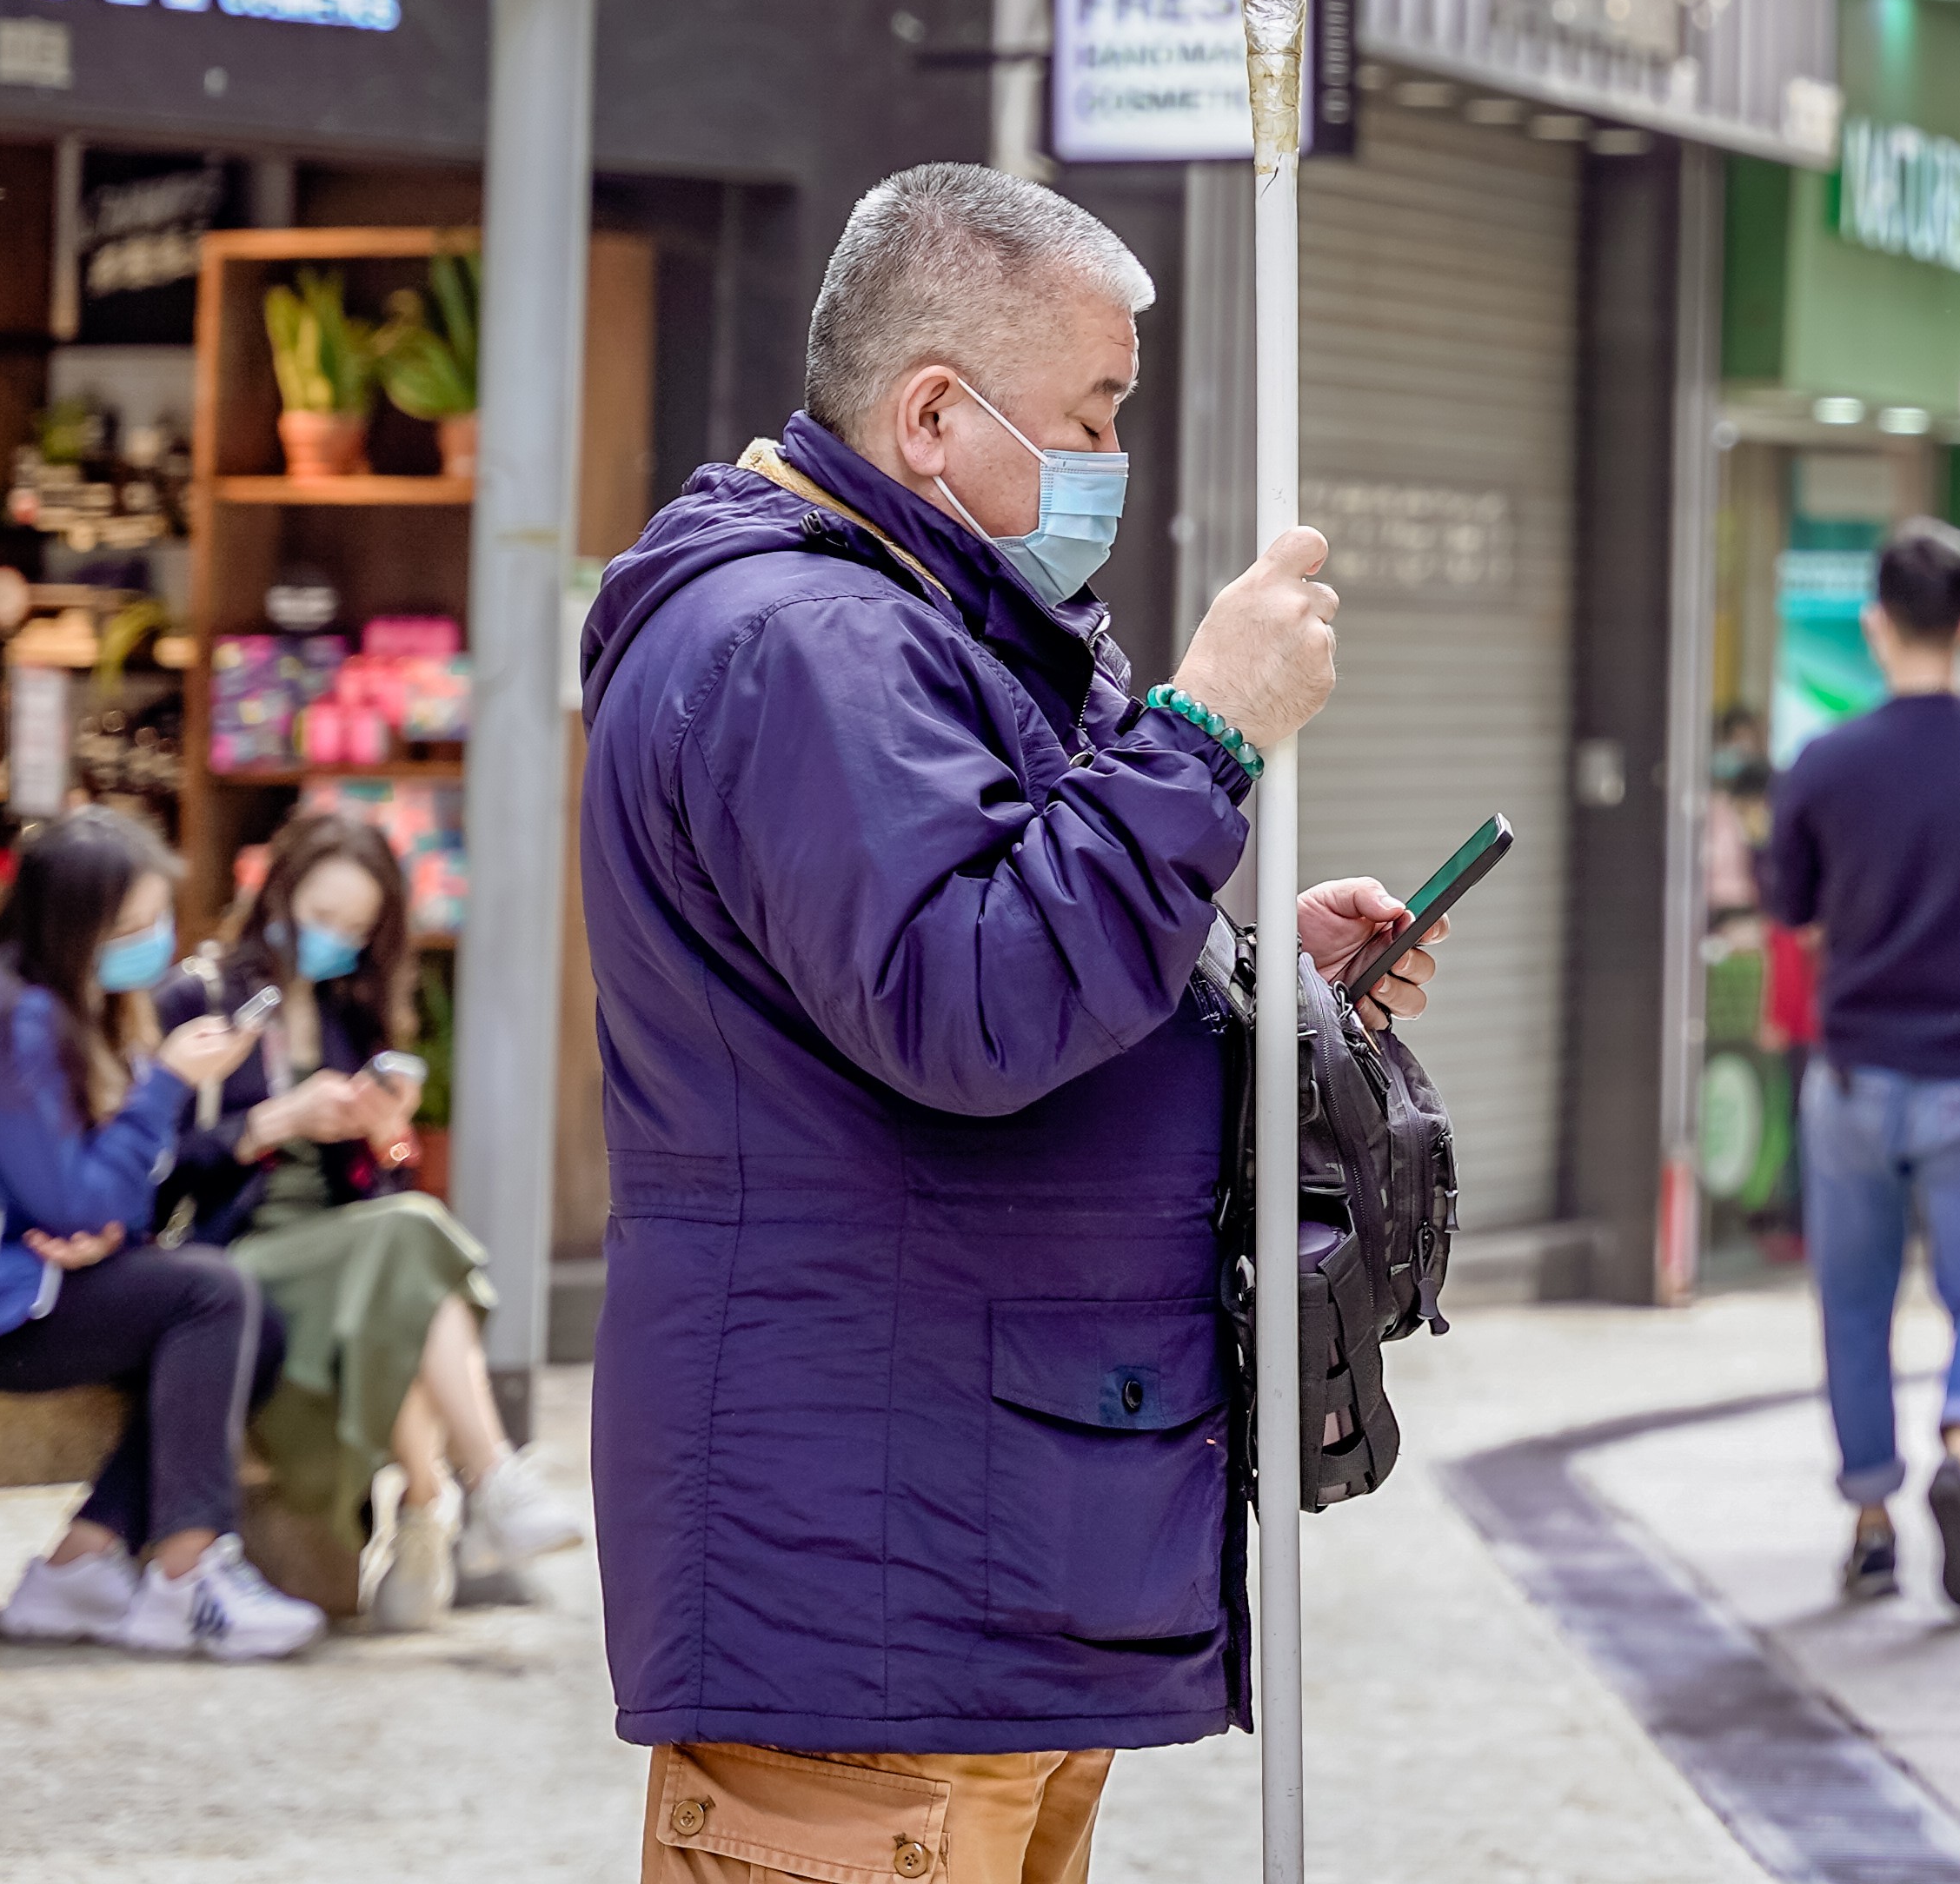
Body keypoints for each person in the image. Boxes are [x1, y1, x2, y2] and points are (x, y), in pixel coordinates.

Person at [580, 164, 1401, 1884]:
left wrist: (1242, 979)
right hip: (876, 1567)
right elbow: (969, 1001)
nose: (1112, 452)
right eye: (1091, 409)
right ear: (935, 411)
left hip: (972, 1536)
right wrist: (1207, 736)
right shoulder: (806, 642)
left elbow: (1017, 928)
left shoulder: (930, 627)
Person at [0, 807, 316, 1661]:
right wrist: (163, 1086)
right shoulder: (0, 1020)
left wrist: (96, 1229)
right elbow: (82, 1200)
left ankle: (85, 1560)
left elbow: (81, 1204)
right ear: (76, 926)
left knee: (247, 1322)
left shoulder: (13, 1004)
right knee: (211, 1293)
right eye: (132, 926)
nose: (152, 943)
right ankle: (188, 1577)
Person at [1757, 518, 1960, 1615]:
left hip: (1852, 1077)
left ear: (1874, 625)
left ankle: (1869, 1521)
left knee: (1853, 1306)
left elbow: (1790, 906)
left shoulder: (1825, 762)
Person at [156, 807, 581, 1627]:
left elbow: (380, 1192)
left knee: (408, 1258)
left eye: (355, 928)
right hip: (234, 1255)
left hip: (349, 1250)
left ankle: (433, 1504)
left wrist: (383, 1134)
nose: (335, 940)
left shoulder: (354, 1013)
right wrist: (273, 1122)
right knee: (415, 1247)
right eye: (321, 918)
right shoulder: (200, 996)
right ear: (277, 893)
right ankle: (479, 1483)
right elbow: (150, 1159)